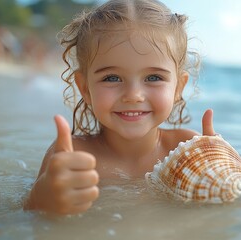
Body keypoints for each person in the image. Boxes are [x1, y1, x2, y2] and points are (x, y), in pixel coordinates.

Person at [24, 0, 216, 215]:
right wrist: (40, 199)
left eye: (154, 77)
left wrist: (221, 175)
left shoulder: (187, 151)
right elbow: (28, 220)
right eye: (112, 78)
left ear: (178, 87)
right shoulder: (70, 156)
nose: (133, 95)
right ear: (85, 88)